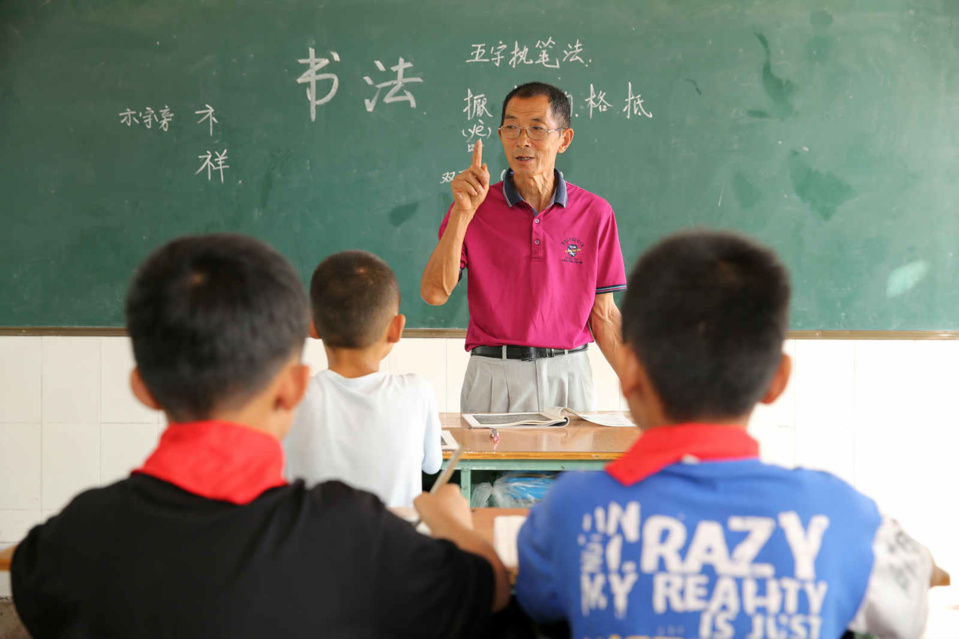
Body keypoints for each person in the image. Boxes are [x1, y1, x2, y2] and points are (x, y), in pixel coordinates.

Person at [5, 234, 508, 638]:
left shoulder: (68, 542)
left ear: (143, 388)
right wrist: (455, 522)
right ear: (290, 388)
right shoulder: (357, 535)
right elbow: (486, 586)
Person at [514, 229, 945, 638]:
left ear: (630, 375)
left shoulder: (570, 510)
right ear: (777, 380)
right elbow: (911, 605)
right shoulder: (843, 518)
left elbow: (538, 601)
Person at [421, 81, 628, 413]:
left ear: (564, 139)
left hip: (568, 374)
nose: (522, 141)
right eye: (512, 128)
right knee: (488, 468)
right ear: (500, 135)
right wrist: (462, 213)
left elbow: (603, 315)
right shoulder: (474, 205)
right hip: (493, 373)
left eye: (537, 129)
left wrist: (649, 396)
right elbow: (434, 293)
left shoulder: (595, 212)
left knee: (571, 467)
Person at [284, 250, 443, 508]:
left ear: (312, 326)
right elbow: (433, 465)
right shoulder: (418, 391)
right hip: (395, 545)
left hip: (313, 546)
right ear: (396, 328)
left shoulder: (292, 396)